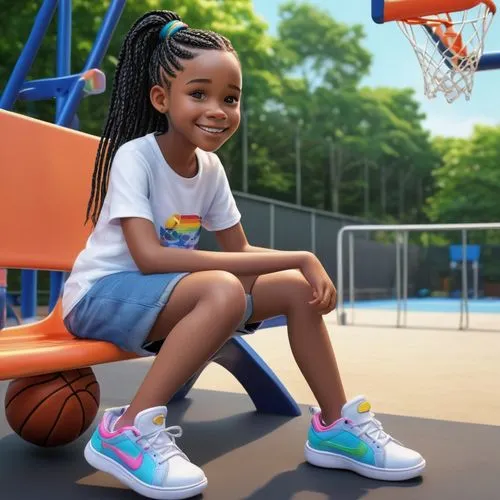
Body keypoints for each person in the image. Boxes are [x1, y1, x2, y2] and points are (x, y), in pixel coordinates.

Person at [62, 10, 426, 500]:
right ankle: (125, 433)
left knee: (294, 291)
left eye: (230, 99)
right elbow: (149, 258)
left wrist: (298, 264)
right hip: (100, 298)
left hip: (165, 299)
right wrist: (296, 253)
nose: (218, 109)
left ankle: (336, 428)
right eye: (199, 93)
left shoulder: (209, 169)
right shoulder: (137, 157)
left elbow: (239, 251)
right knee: (223, 289)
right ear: (160, 98)